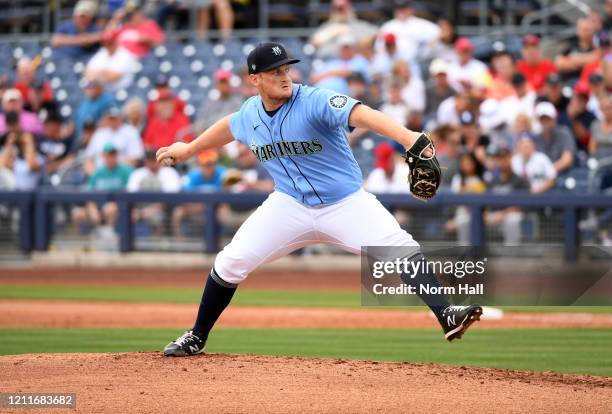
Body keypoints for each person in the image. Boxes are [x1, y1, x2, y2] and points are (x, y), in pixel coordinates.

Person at [156, 42, 482, 356]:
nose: (284, 76)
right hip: (289, 205)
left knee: (399, 247)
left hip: (346, 203)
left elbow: (363, 113)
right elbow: (228, 127)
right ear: (254, 80)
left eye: (286, 69)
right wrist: (188, 149)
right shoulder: (250, 113)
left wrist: (409, 138)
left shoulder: (314, 100)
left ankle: (446, 314)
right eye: (274, 72)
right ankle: (197, 335)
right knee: (230, 262)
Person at [73, 142, 133, 231]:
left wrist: (116, 204)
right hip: (98, 208)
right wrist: (92, 208)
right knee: (77, 213)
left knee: (109, 209)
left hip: (118, 208)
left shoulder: (126, 171)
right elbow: (90, 194)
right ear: (103, 156)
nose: (111, 158)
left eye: (113, 155)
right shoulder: (97, 173)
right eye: (109, 155)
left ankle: (109, 237)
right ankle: (83, 242)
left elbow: (130, 191)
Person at [127, 149, 181, 234]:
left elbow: (171, 196)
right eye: (149, 159)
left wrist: (152, 210)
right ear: (145, 161)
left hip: (164, 210)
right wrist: (140, 211)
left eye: (154, 159)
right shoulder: (137, 174)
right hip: (140, 209)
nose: (152, 162)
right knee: (129, 215)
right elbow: (131, 195)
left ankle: (158, 245)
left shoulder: (169, 172)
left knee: (158, 218)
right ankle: (130, 245)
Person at [485, 148, 530, 245]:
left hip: (512, 214)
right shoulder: (493, 181)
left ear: (510, 158)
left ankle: (511, 254)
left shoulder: (521, 180)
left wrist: (504, 214)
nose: (503, 161)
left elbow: (523, 205)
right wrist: (485, 215)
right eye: (500, 159)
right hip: (495, 215)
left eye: (505, 158)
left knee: (512, 220)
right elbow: (486, 203)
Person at [309, 0, 378, 59]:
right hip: (329, 64)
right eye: (337, 8)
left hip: (355, 64)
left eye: (342, 8)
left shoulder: (360, 26)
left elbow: (378, 34)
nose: (340, 11)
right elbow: (313, 46)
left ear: (349, 7)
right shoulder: (326, 28)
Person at [84, 106, 144, 172]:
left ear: (120, 118)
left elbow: (136, 158)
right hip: (101, 174)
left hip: (123, 173)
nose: (112, 121)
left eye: (114, 118)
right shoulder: (99, 133)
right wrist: (95, 175)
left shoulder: (130, 131)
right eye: (110, 118)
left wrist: (114, 171)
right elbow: (88, 158)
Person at [0, 111, 43, 191]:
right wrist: (9, 144)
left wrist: (29, 143)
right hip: (10, 195)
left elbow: (33, 166)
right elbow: (2, 166)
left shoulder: (36, 153)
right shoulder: (8, 146)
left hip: (30, 196)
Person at [533, 101, 576, 174]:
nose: (545, 122)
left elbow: (567, 160)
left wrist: (548, 172)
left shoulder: (564, 133)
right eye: (542, 119)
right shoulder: (535, 138)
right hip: (542, 177)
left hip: (564, 174)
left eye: (548, 119)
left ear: (554, 119)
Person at [555, 17, 599, 84]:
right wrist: (583, 63)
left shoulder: (597, 48)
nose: (586, 32)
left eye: (587, 29)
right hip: (566, 83)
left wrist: (572, 59)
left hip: (585, 84)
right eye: (583, 29)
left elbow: (597, 58)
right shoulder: (571, 46)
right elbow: (559, 63)